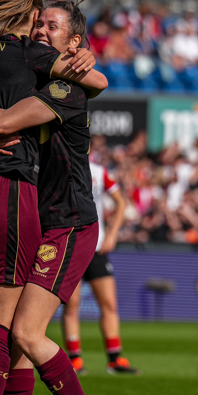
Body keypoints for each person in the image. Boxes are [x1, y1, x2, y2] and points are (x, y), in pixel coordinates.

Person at [0, 0, 105, 395]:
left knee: (23, 332)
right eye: (38, 24)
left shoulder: (65, 87)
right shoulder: (34, 74)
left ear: (73, 42)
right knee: (17, 339)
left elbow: (3, 122)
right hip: (33, 211)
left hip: (68, 221)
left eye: (51, 26)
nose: (40, 31)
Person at [60, 158, 139, 375]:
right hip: (71, 247)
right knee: (71, 305)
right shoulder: (59, 166)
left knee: (109, 304)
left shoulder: (99, 172)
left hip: (96, 247)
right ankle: (75, 360)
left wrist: (112, 234)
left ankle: (115, 359)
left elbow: (121, 202)